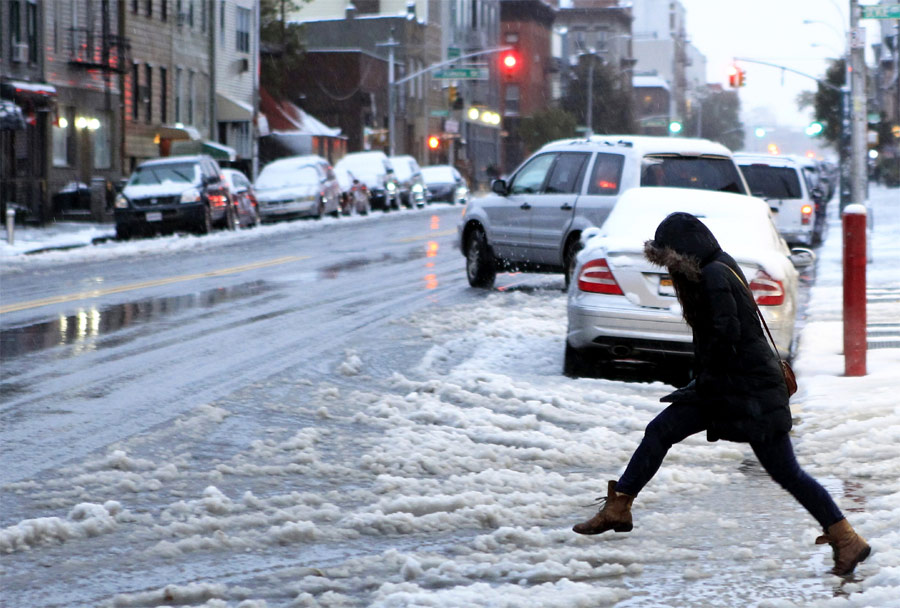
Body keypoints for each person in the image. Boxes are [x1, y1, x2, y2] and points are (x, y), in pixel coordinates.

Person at [572, 212, 871, 576]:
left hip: (747, 391)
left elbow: (725, 334)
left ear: (683, 253)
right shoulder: (718, 267)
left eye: (670, 262)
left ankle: (847, 539)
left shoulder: (713, 275)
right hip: (734, 387)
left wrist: (702, 381)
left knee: (785, 471)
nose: (671, 273)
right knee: (662, 432)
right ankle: (619, 506)